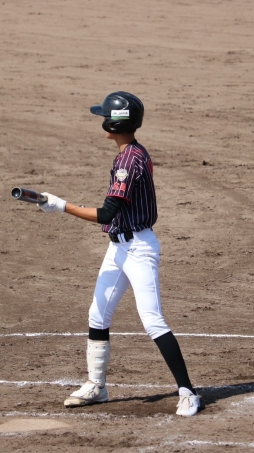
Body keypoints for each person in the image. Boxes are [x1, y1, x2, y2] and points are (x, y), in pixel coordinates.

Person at [35, 91, 200, 416]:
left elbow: (107, 213)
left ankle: (188, 392)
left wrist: (61, 206)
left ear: (115, 123)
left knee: (152, 321)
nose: (102, 120)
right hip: (119, 246)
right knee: (98, 315)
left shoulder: (128, 162)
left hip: (138, 249)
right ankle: (97, 386)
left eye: (106, 116)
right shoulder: (133, 152)